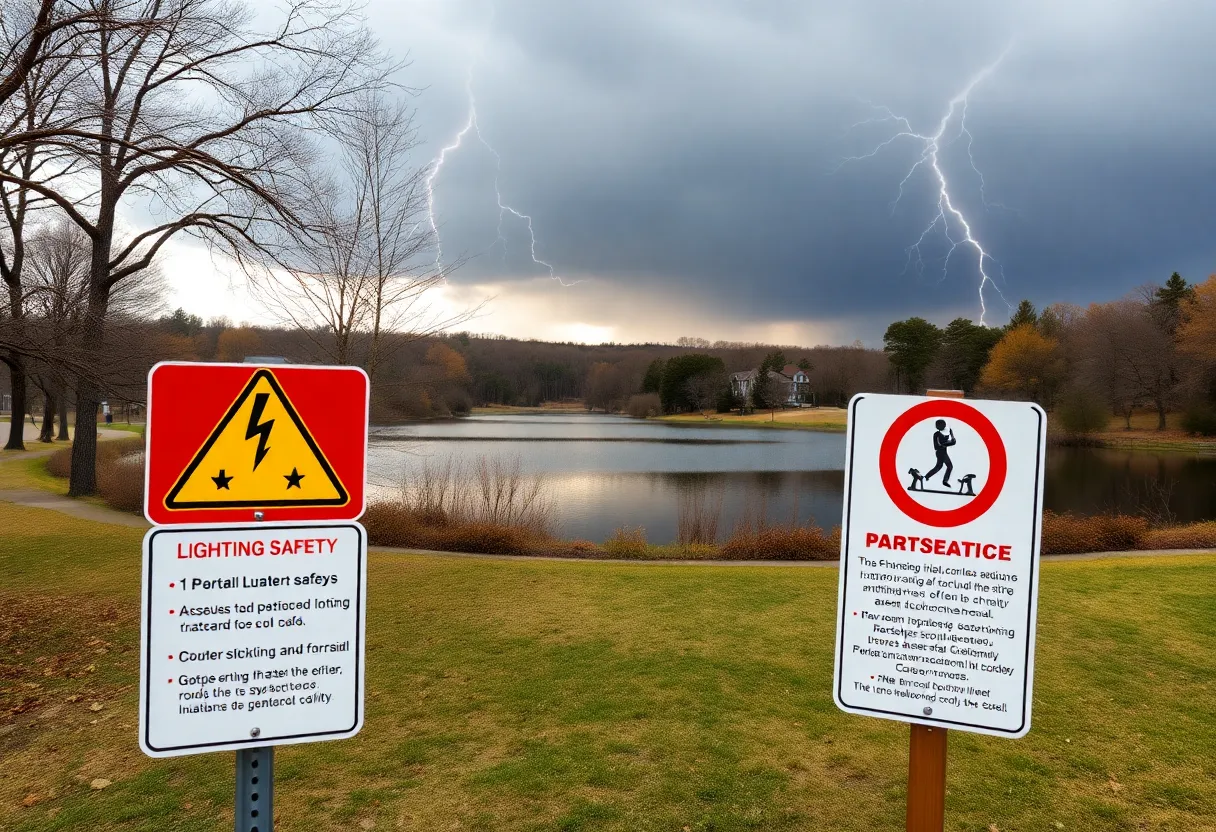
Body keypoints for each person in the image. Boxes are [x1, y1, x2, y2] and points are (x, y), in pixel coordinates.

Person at [924, 419, 955, 487]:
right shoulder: (936, 434)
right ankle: (944, 481)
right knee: (949, 466)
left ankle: (926, 477)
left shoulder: (946, 431)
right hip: (940, 452)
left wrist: (951, 436)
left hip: (943, 452)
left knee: (939, 466)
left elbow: (952, 440)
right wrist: (951, 441)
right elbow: (941, 444)